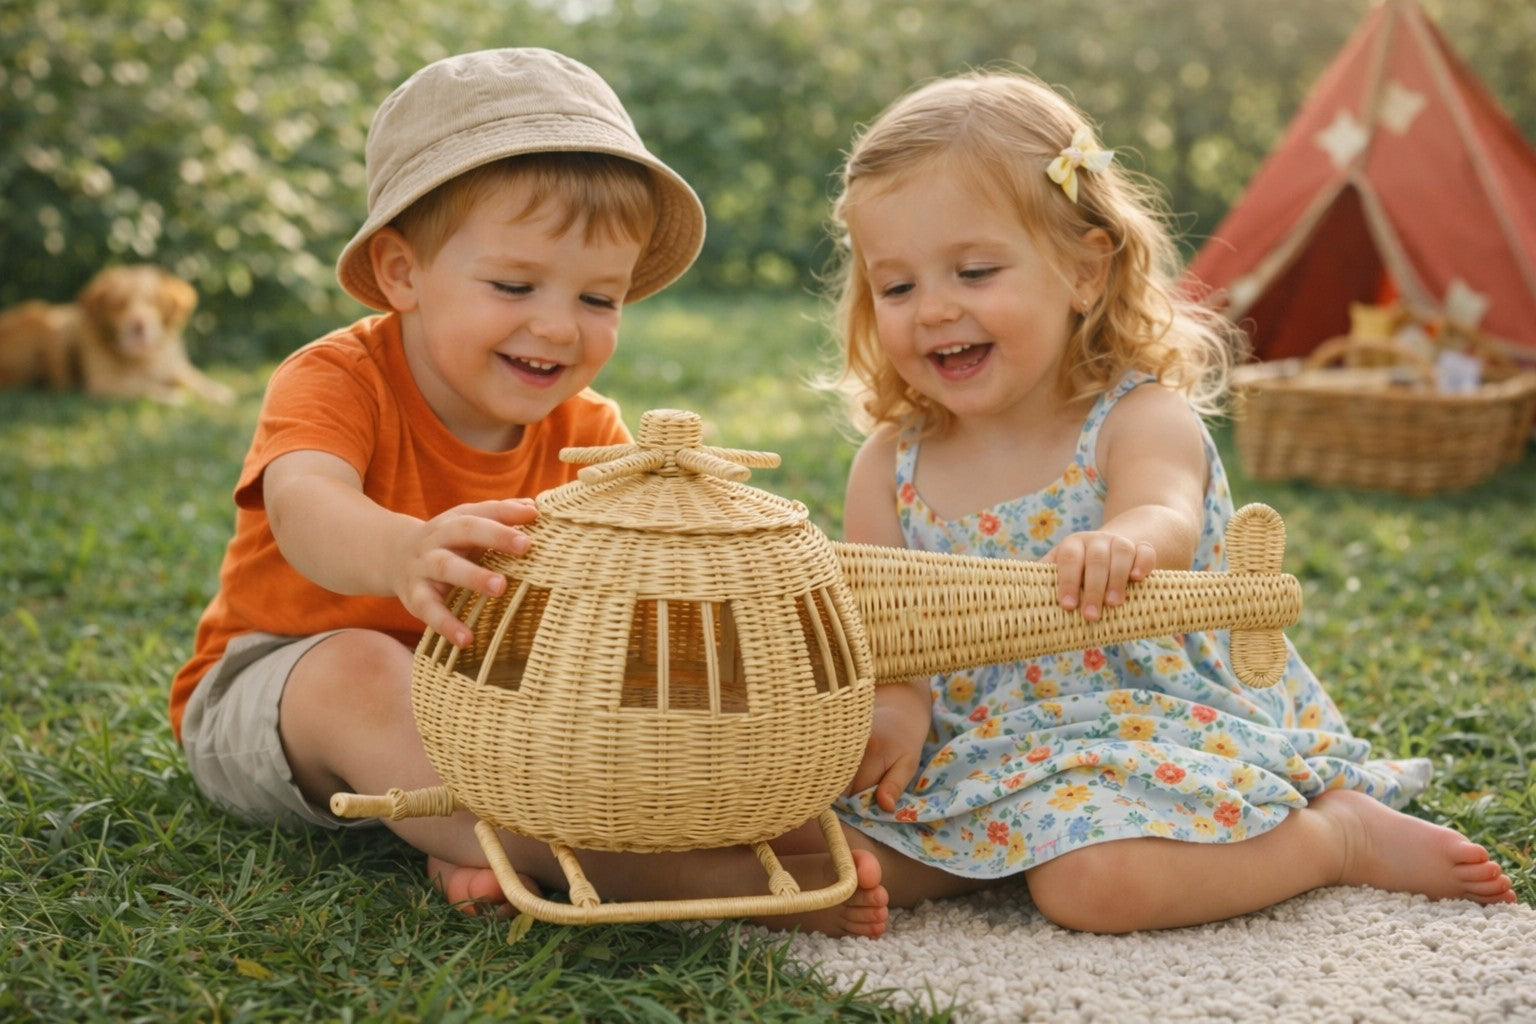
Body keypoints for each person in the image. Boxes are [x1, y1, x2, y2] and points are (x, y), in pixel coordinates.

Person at [170, 47, 889, 935]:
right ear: (402, 273)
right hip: (284, 686)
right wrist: (400, 550)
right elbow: (305, 508)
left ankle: (472, 840)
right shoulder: (336, 380)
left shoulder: (589, 431)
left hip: (488, 706)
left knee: (621, 701)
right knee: (364, 672)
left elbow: (637, 606)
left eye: (600, 298)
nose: (557, 326)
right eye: (514, 284)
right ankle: (649, 871)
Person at [814, 67, 1516, 933]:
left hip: (1145, 725)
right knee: (825, 857)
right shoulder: (891, 463)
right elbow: (889, 632)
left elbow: (1167, 516)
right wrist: (898, 705)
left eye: (974, 269)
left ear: (1082, 269)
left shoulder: (1134, 417)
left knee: (1093, 887)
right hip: (976, 743)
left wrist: (1127, 540)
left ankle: (1334, 839)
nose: (933, 310)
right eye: (898, 287)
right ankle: (990, 845)